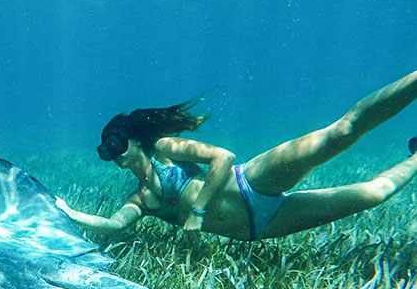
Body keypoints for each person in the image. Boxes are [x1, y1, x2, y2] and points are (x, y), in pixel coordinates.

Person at [56, 69, 417, 241]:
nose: (114, 155)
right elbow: (115, 225)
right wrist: (70, 212)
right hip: (263, 226)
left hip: (251, 181)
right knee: (376, 194)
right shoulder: (142, 198)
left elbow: (223, 157)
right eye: (107, 151)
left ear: (134, 139)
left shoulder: (165, 150)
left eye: (116, 144)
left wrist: (197, 213)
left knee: (341, 133)